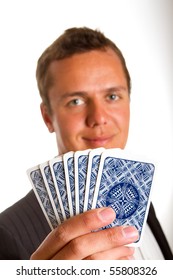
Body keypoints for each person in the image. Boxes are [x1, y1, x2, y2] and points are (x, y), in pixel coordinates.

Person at [0, 27, 172, 260]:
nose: (98, 117)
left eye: (112, 96)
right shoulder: (9, 233)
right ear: (48, 117)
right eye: (76, 101)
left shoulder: (139, 200)